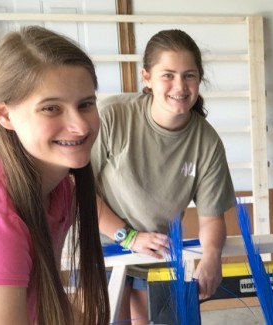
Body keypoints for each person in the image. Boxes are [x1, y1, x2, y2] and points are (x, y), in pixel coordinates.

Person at [93, 29, 235, 324]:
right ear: (147, 77)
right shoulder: (113, 117)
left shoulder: (206, 142)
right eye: (167, 75)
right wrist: (128, 237)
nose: (179, 86)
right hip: (103, 245)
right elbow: (76, 191)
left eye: (189, 75)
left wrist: (210, 255)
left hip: (156, 251)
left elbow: (211, 218)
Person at [0, 26, 109, 325]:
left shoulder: (61, 187)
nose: (79, 126)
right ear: (5, 115)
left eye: (85, 104)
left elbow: (43, 296)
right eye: (51, 108)